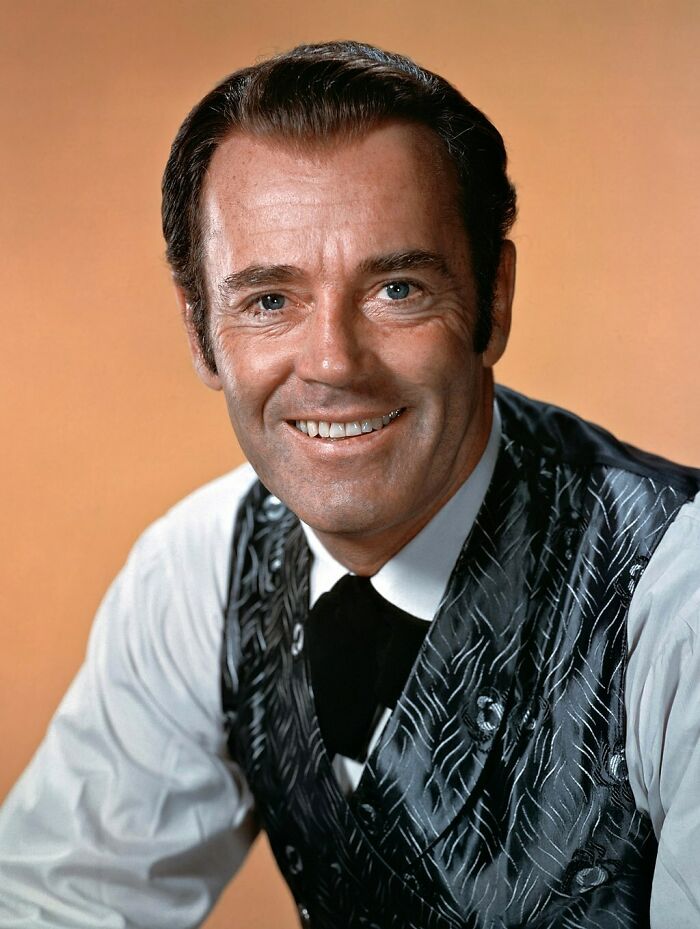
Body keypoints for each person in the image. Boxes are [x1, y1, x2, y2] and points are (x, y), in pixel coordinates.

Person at [1, 40, 699, 929]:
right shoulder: (199, 570)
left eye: (398, 287)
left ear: (494, 301)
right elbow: (49, 903)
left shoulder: (677, 595)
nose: (333, 362)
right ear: (200, 332)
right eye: (267, 301)